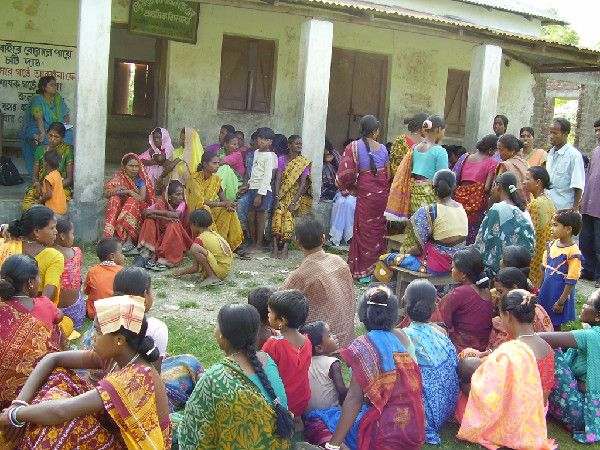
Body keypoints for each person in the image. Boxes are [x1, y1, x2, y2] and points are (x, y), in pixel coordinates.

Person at [0, 295, 172, 448]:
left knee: (63, 427)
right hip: (114, 430)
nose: (91, 338)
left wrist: (13, 415)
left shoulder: (135, 376)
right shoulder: (119, 356)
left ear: (119, 339)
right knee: (58, 377)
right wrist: (19, 403)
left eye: (97, 331)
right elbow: (53, 359)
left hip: (134, 444)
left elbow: (62, 411)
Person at [178, 303, 293, 449]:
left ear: (222, 335)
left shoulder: (214, 379)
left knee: (175, 424)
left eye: (216, 326)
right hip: (276, 443)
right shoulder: (266, 359)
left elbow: (192, 437)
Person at [325, 286, 425, 450]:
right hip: (414, 430)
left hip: (385, 435)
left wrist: (332, 445)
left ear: (363, 317)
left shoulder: (364, 345)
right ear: (393, 316)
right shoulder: (400, 339)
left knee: (318, 419)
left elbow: (354, 399)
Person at [456, 289, 555, 450]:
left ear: (508, 315)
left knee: (464, 391)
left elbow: (490, 391)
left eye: (500, 316)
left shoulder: (512, 350)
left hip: (514, 415)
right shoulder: (548, 348)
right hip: (537, 413)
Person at [281, 215, 356, 348]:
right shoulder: (339, 261)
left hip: (323, 343)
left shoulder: (300, 275)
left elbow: (277, 303)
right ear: (323, 238)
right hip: (346, 338)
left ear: (297, 242)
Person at [0, 254, 62, 413]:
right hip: (33, 393)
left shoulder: (3, 309)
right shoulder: (44, 303)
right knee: (56, 330)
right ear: (30, 283)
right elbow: (59, 317)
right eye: (38, 278)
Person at [538, 290, 600, 444]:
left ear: (598, 316)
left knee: (549, 351)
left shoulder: (591, 336)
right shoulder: (591, 334)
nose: (583, 306)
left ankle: (530, 399)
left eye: (588, 303)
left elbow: (539, 338)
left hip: (584, 415)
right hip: (591, 412)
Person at [402, 280, 458, 445]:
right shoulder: (440, 332)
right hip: (447, 409)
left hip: (427, 416)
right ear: (434, 308)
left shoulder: (404, 336)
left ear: (405, 306)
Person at [337, 115, 390, 281]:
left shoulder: (353, 146)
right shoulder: (383, 149)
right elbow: (388, 175)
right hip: (382, 195)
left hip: (365, 193)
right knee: (379, 231)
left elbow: (345, 174)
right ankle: (378, 271)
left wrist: (351, 188)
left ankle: (362, 271)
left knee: (364, 230)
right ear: (375, 132)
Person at [387, 169, 467, 275]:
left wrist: (406, 252)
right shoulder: (461, 208)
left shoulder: (428, 211)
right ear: (454, 187)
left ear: (433, 189)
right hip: (458, 264)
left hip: (435, 265)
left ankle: (388, 290)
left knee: (387, 258)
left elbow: (418, 250)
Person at [0, 206, 65, 306]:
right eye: (52, 228)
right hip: (34, 313)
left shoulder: (4, 246)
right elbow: (48, 298)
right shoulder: (54, 256)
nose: (56, 231)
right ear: (36, 232)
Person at [475, 172, 535, 277]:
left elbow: (482, 242)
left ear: (498, 187)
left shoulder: (497, 209)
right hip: (521, 266)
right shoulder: (523, 210)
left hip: (502, 269)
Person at [263, 290, 312, 417]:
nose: (268, 316)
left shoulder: (273, 344)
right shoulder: (307, 341)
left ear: (282, 320)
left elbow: (262, 372)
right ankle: (297, 421)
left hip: (282, 403)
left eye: (270, 313)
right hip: (302, 399)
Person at [185, 152, 244, 252]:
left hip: (209, 210)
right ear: (204, 164)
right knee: (205, 209)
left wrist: (228, 205)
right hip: (196, 212)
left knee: (229, 211)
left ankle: (233, 244)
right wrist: (223, 204)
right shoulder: (194, 179)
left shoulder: (215, 179)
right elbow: (201, 201)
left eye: (218, 163)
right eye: (214, 163)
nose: (217, 166)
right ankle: (213, 244)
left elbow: (222, 199)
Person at [439, 247, 494, 352]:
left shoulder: (461, 292)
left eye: (454, 267)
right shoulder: (486, 290)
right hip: (481, 346)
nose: (451, 270)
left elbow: (441, 316)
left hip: (461, 348)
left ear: (463, 274)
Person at [486, 267, 553, 351]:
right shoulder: (538, 308)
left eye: (500, 292)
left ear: (514, 288)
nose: (498, 296)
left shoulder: (508, 317)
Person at [539, 209, 583, 330]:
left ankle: (558, 346)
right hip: (547, 289)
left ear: (568, 229)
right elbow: (544, 267)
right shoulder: (551, 245)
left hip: (558, 292)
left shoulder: (573, 253)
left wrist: (561, 301)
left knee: (555, 322)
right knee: (542, 316)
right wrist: (539, 288)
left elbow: (571, 280)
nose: (551, 228)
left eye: (555, 225)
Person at [102, 153, 155, 252]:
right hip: (122, 207)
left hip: (138, 208)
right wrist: (118, 189)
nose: (134, 169)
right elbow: (106, 194)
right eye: (131, 166)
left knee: (131, 201)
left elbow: (141, 198)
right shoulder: (118, 177)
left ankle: (129, 241)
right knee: (114, 199)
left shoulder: (141, 180)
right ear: (124, 167)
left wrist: (129, 191)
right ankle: (108, 236)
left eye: (136, 166)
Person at [452, 134, 499, 244]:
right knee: (471, 236)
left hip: (459, 200)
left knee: (458, 231)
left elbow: (455, 178)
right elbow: (487, 188)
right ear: (491, 150)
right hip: (476, 205)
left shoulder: (465, 157)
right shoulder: (492, 162)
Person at [20, 76, 72, 175]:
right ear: (44, 87)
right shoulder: (37, 100)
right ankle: (43, 172)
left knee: (69, 135)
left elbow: (65, 114)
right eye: (51, 85)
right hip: (38, 126)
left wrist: (65, 125)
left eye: (55, 85)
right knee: (43, 139)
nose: (55, 87)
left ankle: (62, 170)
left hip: (55, 126)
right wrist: (43, 132)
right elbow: (38, 117)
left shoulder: (57, 98)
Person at [272, 134, 312, 259]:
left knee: (289, 216)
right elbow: (278, 178)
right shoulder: (282, 159)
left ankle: (285, 249)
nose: (299, 146)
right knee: (277, 214)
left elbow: (303, 184)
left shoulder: (303, 162)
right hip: (281, 194)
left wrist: (294, 202)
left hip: (295, 195)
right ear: (289, 145)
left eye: (301, 144)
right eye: (297, 143)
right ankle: (274, 247)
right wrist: (277, 197)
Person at [138, 180, 192, 270]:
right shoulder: (161, 202)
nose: (181, 197)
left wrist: (155, 212)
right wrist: (165, 217)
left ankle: (166, 258)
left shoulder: (182, 204)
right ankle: (148, 250)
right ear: (169, 196)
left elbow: (175, 215)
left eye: (182, 194)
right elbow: (145, 213)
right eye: (178, 194)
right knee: (149, 220)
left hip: (177, 234)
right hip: (162, 231)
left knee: (173, 224)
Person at [173, 208, 233, 286]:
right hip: (225, 270)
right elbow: (195, 269)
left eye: (190, 224)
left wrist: (181, 272)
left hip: (220, 271)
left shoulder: (200, 239)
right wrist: (181, 272)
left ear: (195, 224)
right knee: (195, 248)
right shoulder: (213, 233)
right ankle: (212, 275)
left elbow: (195, 268)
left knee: (194, 248)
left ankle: (212, 276)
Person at [22, 122, 74, 211]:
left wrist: (51, 187)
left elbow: (69, 179)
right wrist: (37, 184)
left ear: (62, 138)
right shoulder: (40, 150)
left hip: (60, 187)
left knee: (53, 200)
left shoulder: (67, 150)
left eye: (56, 137)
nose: (52, 139)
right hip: (42, 185)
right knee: (28, 202)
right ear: (47, 134)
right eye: (50, 135)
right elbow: (35, 176)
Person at [246, 127, 278, 253]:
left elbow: (267, 177)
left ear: (270, 142)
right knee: (250, 216)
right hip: (253, 187)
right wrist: (248, 185)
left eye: (266, 140)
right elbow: (254, 172)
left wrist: (260, 194)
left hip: (263, 189)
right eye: (260, 138)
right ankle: (253, 243)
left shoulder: (270, 156)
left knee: (260, 217)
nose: (262, 141)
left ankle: (259, 244)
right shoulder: (255, 153)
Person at [525, 166, 556, 287]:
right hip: (547, 250)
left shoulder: (535, 204)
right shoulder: (548, 201)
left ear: (538, 182)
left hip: (537, 251)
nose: (524, 181)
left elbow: (530, 232)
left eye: (527, 179)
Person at [546, 117, 586, 210]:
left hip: (564, 209)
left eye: (555, 133)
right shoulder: (550, 153)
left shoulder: (574, 156)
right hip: (549, 207)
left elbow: (578, 186)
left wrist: (575, 210)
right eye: (550, 132)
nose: (551, 136)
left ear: (565, 134)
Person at [54, 218, 85, 331]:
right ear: (62, 236)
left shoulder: (43, 254)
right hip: (76, 315)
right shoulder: (76, 252)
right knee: (78, 279)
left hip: (53, 314)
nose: (73, 237)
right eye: (72, 233)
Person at [580, 118, 600, 288]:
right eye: (596, 130)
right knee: (586, 240)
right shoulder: (596, 151)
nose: (597, 133)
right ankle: (588, 270)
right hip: (588, 203)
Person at [84, 237, 125, 319]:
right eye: (121, 253)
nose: (123, 256)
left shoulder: (92, 271)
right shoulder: (123, 271)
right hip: (117, 314)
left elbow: (86, 291)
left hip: (95, 314)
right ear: (112, 256)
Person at [328, 139, 356, 247]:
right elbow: (338, 182)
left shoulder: (362, 164)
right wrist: (345, 190)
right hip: (342, 192)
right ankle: (336, 237)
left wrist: (352, 191)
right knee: (340, 202)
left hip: (356, 194)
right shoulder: (344, 163)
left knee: (349, 203)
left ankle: (349, 236)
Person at [494, 133, 529, 203]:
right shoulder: (525, 163)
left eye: (501, 150)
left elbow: (496, 190)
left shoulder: (504, 166)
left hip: (508, 205)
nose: (499, 153)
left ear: (512, 151)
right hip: (525, 204)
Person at [217, 132, 245, 202]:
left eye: (237, 144)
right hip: (225, 179)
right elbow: (216, 162)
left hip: (237, 181)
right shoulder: (222, 150)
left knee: (225, 168)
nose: (237, 147)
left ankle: (217, 190)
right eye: (234, 144)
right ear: (226, 144)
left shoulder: (237, 154)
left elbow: (219, 162)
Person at [38, 150, 67, 216]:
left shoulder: (49, 178)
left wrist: (40, 201)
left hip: (52, 210)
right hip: (62, 209)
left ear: (45, 163)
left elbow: (48, 194)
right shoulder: (57, 174)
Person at [321, 137, 340, 201]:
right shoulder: (318, 154)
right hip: (324, 186)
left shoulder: (334, 153)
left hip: (335, 183)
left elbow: (341, 168)